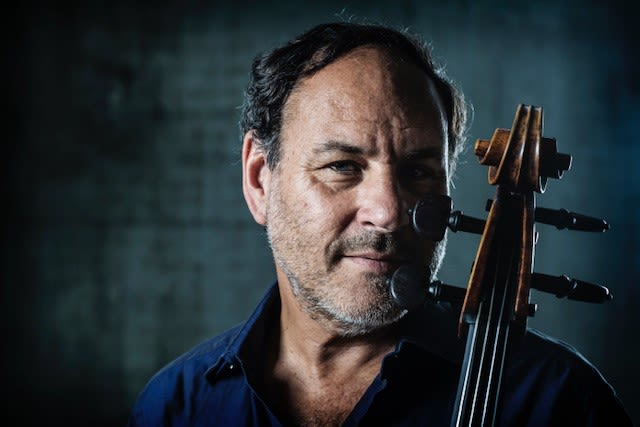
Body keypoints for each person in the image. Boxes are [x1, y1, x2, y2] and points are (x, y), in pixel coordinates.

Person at [127, 21, 632, 426]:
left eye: (418, 172)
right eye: (343, 167)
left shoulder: (561, 403)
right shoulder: (176, 407)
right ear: (260, 181)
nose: (389, 211)